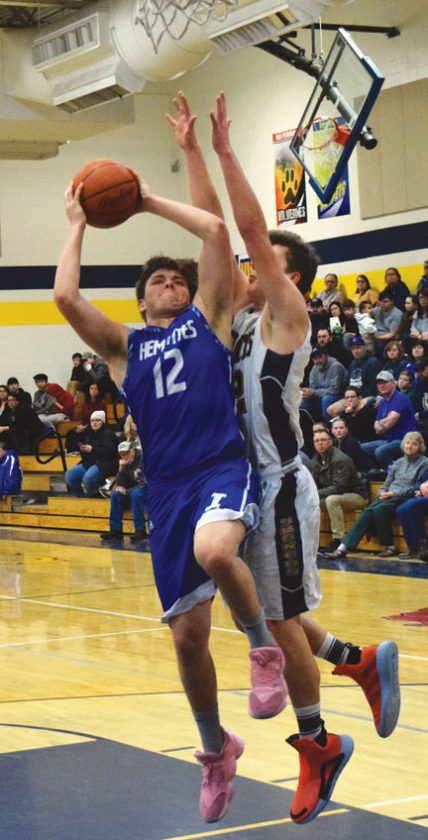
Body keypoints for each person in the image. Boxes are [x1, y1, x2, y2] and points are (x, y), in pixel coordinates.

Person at [175, 89, 400, 825]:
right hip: (240, 483)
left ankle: (318, 743)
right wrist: (190, 152)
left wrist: (228, 151)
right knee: (269, 611)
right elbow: (215, 230)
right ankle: (355, 660)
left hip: (277, 485)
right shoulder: (235, 317)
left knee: (276, 619)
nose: (244, 265)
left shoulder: (287, 316)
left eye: (261, 261)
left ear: (286, 276)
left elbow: (242, 226)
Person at [54, 154, 287, 825]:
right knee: (187, 639)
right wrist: (79, 224)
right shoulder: (124, 348)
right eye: (157, 280)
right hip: (166, 490)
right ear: (141, 301)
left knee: (217, 551)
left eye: (176, 278)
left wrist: (145, 199)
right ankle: (216, 750)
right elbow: (65, 298)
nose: (170, 282)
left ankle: (263, 650)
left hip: (219, 466)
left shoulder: (209, 317)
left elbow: (214, 231)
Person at [327, 432, 428, 558]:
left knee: (379, 510)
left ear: (420, 447)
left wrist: (392, 493)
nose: (410, 446)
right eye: (407, 443)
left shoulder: (424, 463)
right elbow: (387, 483)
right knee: (367, 511)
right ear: (403, 444)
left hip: (404, 496)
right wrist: (382, 493)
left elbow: (415, 487)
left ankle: (388, 546)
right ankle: (343, 547)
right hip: (389, 495)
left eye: (414, 444)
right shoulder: (398, 462)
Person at [310, 427, 369, 553]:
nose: (320, 443)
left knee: (332, 500)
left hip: (357, 495)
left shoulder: (340, 459)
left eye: (323, 440)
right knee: (311, 501)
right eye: (317, 441)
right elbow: (314, 485)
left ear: (330, 441)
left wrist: (314, 493)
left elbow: (338, 488)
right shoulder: (315, 461)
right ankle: (312, 540)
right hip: (335, 495)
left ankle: (338, 539)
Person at [362, 371, 417, 469]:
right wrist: (384, 422)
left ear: (393, 383)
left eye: (385, 382)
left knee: (381, 451)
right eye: (379, 383)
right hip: (389, 440)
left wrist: (382, 422)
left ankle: (393, 472)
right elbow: (377, 429)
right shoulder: (382, 402)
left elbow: (389, 423)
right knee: (361, 449)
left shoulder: (400, 398)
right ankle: (376, 472)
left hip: (404, 440)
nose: (382, 385)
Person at [100, 439, 148, 543]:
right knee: (116, 494)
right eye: (122, 454)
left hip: (146, 489)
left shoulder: (143, 458)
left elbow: (146, 481)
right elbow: (120, 484)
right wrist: (121, 469)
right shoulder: (124, 462)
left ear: (133, 450)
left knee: (136, 493)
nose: (125, 456)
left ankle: (140, 530)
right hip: (133, 489)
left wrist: (129, 488)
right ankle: (115, 530)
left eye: (127, 453)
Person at [64, 410, 119, 497]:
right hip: (90, 462)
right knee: (69, 475)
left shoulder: (108, 433)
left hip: (105, 464)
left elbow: (109, 451)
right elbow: (73, 443)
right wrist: (82, 449)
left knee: (88, 479)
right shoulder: (89, 433)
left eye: (97, 420)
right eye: (92, 421)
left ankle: (96, 496)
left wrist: (92, 450)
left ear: (103, 422)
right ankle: (82, 498)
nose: (94, 423)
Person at [300, 346, 348, 421]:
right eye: (315, 358)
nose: (318, 360)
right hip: (321, 397)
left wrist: (313, 393)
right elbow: (312, 388)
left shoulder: (336, 366)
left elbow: (334, 391)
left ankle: (328, 426)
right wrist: (307, 393)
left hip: (341, 397)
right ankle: (312, 425)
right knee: (304, 401)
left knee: (326, 399)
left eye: (320, 357)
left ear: (326, 355)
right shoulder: (314, 369)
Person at [65, 383, 107, 454]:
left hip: (96, 426)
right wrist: (81, 425)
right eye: (92, 389)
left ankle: (80, 450)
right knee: (71, 432)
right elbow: (83, 417)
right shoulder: (86, 403)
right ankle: (72, 451)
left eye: (96, 389)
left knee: (84, 433)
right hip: (85, 425)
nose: (93, 391)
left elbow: (100, 419)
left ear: (99, 391)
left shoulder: (101, 403)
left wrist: (85, 427)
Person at [396, 477, 428, 560]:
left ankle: (423, 546)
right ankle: (412, 547)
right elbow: (420, 480)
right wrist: (418, 489)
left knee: (411, 506)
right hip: (424, 496)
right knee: (401, 510)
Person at [373, 289, 403, 361]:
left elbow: (392, 334)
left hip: (389, 339)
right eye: (380, 301)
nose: (382, 304)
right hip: (375, 335)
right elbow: (366, 313)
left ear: (392, 301)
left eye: (385, 301)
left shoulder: (397, 314)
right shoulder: (377, 309)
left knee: (379, 345)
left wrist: (377, 337)